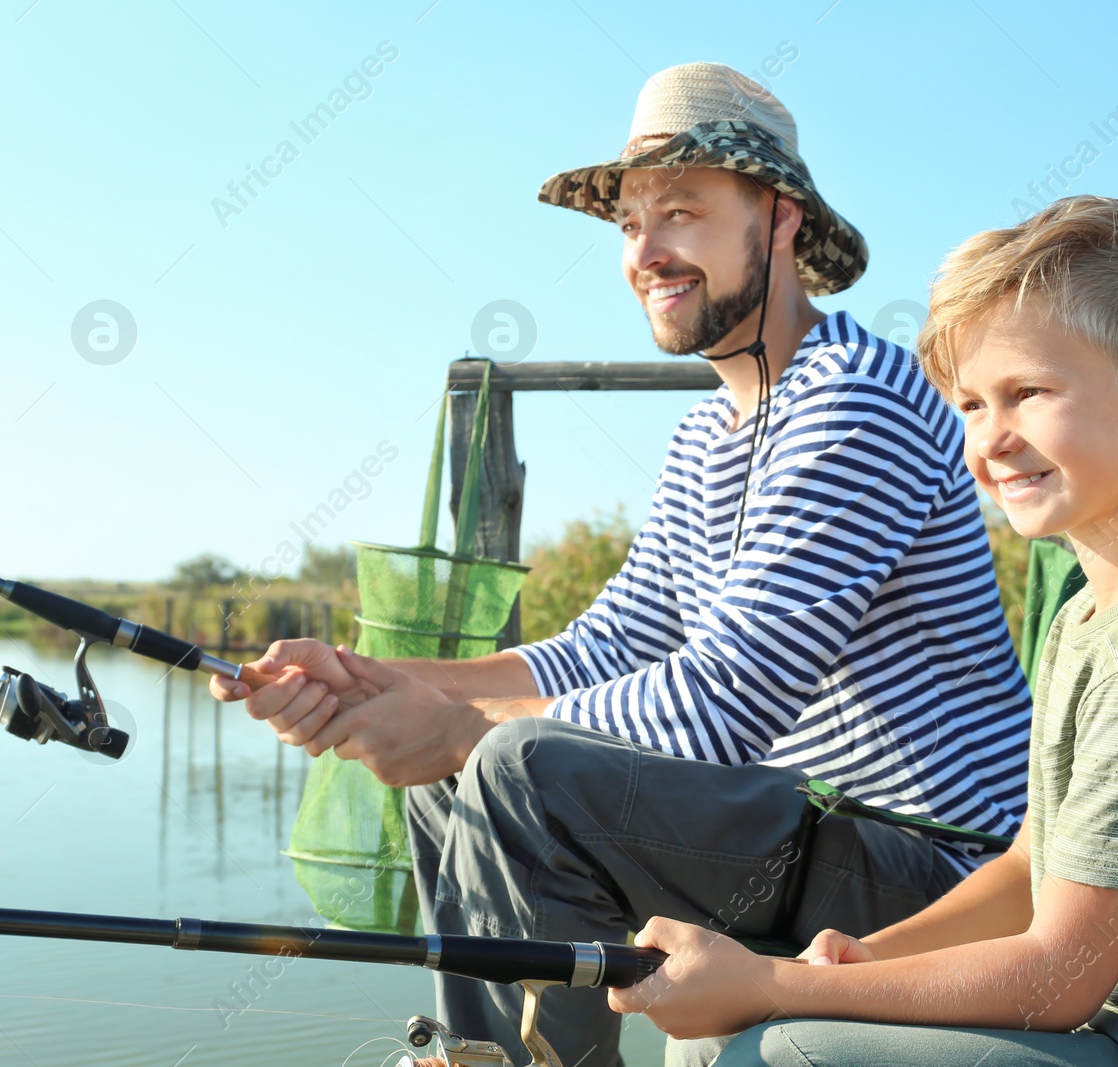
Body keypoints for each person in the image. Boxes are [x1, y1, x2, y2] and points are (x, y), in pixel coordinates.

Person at [213, 62, 1033, 1067]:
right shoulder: (706, 433)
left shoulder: (855, 397)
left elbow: (725, 702)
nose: (645, 251)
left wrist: (466, 729)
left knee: (508, 764)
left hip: (934, 870)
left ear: (778, 220)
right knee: (453, 775)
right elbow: (614, 642)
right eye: (628, 225)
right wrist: (388, 682)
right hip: (816, 834)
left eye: (681, 212)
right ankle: (484, 1055)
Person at [611, 195, 1118, 1067]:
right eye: (972, 405)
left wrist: (774, 983)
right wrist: (872, 953)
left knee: (779, 1049)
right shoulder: (1089, 617)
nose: (987, 444)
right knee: (714, 1047)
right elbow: (1031, 866)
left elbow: (1059, 976)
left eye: (1026, 393)